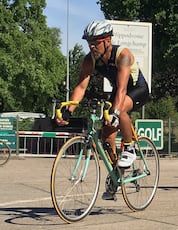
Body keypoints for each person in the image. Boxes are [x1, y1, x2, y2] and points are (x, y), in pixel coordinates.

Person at [56, 20, 150, 200]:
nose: (92, 46)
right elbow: (81, 88)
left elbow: (122, 89)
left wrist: (115, 112)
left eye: (96, 42)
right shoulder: (89, 60)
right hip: (119, 92)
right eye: (89, 42)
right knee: (106, 135)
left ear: (108, 40)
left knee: (119, 110)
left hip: (137, 89)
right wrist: (70, 109)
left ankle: (130, 149)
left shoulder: (122, 55)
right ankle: (117, 175)